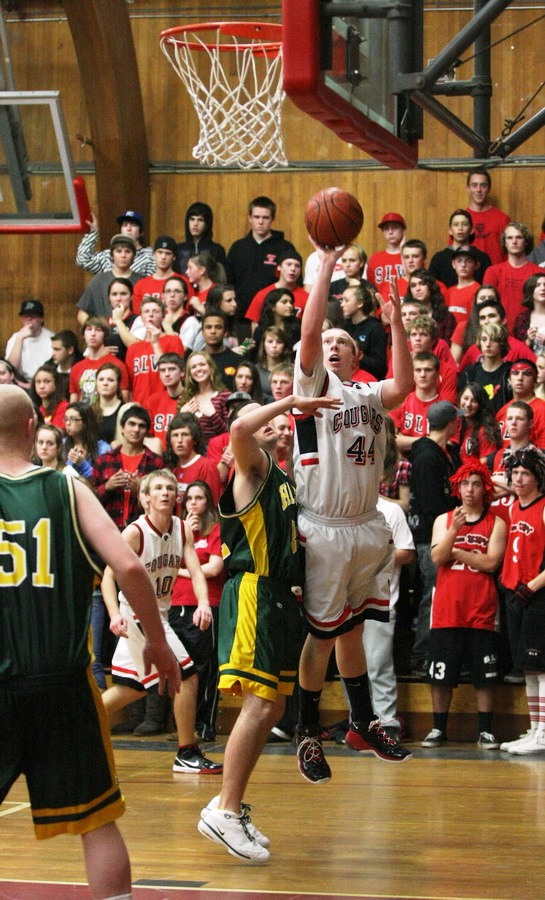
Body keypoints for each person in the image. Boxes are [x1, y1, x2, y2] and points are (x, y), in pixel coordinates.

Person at [0, 383, 180, 900]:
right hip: (62, 683)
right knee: (98, 822)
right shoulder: (67, 487)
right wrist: (157, 643)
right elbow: (129, 567)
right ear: (33, 428)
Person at [292, 241, 414, 785]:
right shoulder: (313, 383)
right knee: (322, 635)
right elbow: (310, 331)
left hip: (366, 525)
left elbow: (404, 385)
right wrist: (325, 268)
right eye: (328, 341)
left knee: (352, 629)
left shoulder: (367, 392)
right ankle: (306, 731)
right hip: (324, 525)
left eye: (343, 341)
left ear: (358, 356)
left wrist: (396, 324)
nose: (333, 345)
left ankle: (362, 723)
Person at [198, 391, 337, 863]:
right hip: (253, 591)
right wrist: (290, 400)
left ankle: (227, 803)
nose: (271, 425)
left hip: (278, 596)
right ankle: (225, 809)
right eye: (262, 420)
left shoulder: (280, 476)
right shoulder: (251, 466)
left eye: (273, 420)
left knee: (274, 706)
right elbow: (238, 429)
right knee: (259, 704)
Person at [100, 469, 223, 774]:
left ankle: (70, 727)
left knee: (131, 688)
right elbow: (107, 577)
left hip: (160, 614)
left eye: (169, 487)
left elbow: (196, 571)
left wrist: (203, 603)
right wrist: (114, 614)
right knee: (186, 676)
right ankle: (186, 751)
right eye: (157, 488)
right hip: (138, 616)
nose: (165, 492)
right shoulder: (135, 533)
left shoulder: (182, 529)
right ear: (146, 498)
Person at [421, 461, 507, 749]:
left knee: (485, 675)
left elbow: (491, 562)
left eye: (476, 484)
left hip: (482, 607)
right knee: (441, 674)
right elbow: (437, 557)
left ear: (485, 489)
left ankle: (485, 730)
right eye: (465, 484)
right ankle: (438, 728)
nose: (470, 490)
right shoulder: (444, 520)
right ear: (457, 488)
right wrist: (454, 532)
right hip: (447, 608)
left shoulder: (496, 523)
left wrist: (456, 552)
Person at [408, 401, 462, 677]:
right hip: (429, 537)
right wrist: (456, 508)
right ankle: (422, 655)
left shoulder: (442, 452)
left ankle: (434, 653)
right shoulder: (428, 456)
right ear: (452, 423)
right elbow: (432, 503)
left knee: (437, 594)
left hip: (437, 534)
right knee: (431, 595)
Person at [170, 480, 225, 741]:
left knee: (204, 667)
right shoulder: (176, 530)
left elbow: (214, 568)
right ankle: (183, 727)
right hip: (175, 604)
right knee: (180, 668)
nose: (193, 503)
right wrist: (186, 537)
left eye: (199, 498)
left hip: (205, 605)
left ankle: (204, 725)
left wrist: (181, 571)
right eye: (189, 498)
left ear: (208, 502)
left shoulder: (216, 530)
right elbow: (165, 562)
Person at [499, 447, 545, 755]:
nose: (518, 478)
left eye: (525, 473)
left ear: (537, 476)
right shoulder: (514, 507)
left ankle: (544, 732)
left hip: (537, 593)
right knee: (528, 667)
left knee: (541, 667)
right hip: (516, 593)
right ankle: (536, 728)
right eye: (514, 473)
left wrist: (533, 586)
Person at [225, 195, 299, 332]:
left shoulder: (284, 248)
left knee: (270, 345)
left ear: (272, 219)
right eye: (256, 217)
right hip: (241, 318)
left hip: (274, 319)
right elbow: (228, 283)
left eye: (265, 218)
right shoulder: (238, 248)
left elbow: (293, 283)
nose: (260, 222)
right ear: (250, 218)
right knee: (246, 346)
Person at [92, 405, 163, 529]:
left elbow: (163, 502)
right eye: (132, 424)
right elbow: (90, 498)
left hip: (143, 530)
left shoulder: (157, 463)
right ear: (122, 428)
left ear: (147, 431)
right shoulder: (103, 460)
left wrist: (141, 490)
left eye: (141, 426)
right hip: (108, 529)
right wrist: (107, 486)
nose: (136, 429)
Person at [124, 296, 184, 405]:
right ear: (141, 317)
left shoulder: (173, 341)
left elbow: (176, 374)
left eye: (155, 311)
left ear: (163, 316)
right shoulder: (133, 349)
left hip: (165, 404)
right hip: (140, 405)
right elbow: (131, 386)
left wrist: (155, 343)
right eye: (146, 311)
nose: (151, 315)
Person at [482, 222, 541, 329]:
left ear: (526, 241)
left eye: (519, 237)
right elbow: (487, 305)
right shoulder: (493, 272)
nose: (514, 241)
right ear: (504, 242)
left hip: (531, 330)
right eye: (510, 238)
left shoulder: (539, 273)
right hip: (498, 329)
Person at [76, 234, 143, 325]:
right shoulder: (98, 280)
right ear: (112, 255)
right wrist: (97, 328)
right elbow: (82, 314)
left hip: (134, 332)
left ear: (133, 255)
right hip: (105, 332)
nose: (123, 255)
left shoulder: (142, 281)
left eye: (127, 251)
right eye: (119, 251)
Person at [75, 208, 155, 275]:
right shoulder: (108, 256)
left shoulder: (150, 257)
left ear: (141, 232)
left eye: (133, 225)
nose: (128, 229)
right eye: (125, 225)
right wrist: (93, 233)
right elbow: (82, 260)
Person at [69, 317, 130, 405]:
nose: (93, 334)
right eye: (89, 329)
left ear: (105, 335)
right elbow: (73, 402)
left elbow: (124, 398)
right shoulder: (76, 368)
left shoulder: (117, 365)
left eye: (98, 330)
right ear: (83, 335)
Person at [165, 412, 223, 504]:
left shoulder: (206, 466)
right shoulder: (173, 469)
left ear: (194, 440)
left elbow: (212, 505)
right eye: (175, 435)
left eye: (185, 434)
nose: (179, 440)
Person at [429, 208, 491, 287]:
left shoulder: (482, 258)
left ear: (471, 230)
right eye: (456, 224)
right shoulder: (439, 259)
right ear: (450, 230)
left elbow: (487, 288)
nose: (460, 228)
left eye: (464, 224)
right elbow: (432, 288)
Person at [246, 249, 307, 328]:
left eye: (297, 266)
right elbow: (254, 324)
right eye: (289, 264)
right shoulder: (263, 294)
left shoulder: (306, 298)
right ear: (279, 267)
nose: (293, 269)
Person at [178, 350, 231, 440]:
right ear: (190, 373)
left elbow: (230, 433)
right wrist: (181, 417)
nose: (198, 369)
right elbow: (176, 433)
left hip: (218, 448)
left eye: (202, 364)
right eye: (194, 367)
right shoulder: (184, 398)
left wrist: (213, 415)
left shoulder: (225, 396)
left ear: (211, 367)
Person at [339, 283, 387, 379]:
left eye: (346, 300)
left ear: (360, 303)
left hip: (367, 380)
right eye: (341, 300)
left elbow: (380, 365)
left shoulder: (375, 328)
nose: (342, 304)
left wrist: (357, 356)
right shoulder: (344, 326)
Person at [465, 169, 510, 266]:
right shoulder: (460, 219)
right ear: (468, 188)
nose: (478, 190)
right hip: (469, 273)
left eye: (483, 185)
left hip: (496, 273)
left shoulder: (502, 219)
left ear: (489, 189)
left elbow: (510, 253)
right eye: (474, 185)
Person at [5, 299, 53, 383]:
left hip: (45, 382)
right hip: (20, 381)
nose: (29, 319)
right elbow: (11, 369)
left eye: (33, 316)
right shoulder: (15, 338)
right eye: (25, 316)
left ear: (41, 319)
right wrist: (20, 339)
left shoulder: (51, 338)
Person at [132, 235, 181, 315]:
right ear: (154, 255)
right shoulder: (141, 285)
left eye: (168, 253)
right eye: (160, 252)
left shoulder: (182, 282)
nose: (163, 257)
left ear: (174, 257)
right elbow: (137, 315)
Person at [174, 200, 226, 276]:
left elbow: (220, 277)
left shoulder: (216, 250)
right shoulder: (179, 249)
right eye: (192, 219)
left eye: (200, 220)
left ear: (207, 224)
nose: (195, 224)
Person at [62, 402, 110, 481]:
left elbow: (102, 482)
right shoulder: (61, 444)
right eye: (66, 419)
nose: (67, 423)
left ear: (85, 422)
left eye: (72, 419)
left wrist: (82, 463)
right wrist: (71, 461)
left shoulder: (103, 448)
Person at [366, 212, 407, 302]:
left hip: (406, 305)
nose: (390, 232)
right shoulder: (375, 259)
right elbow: (371, 288)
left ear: (403, 230)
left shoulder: (410, 257)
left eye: (395, 227)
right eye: (386, 228)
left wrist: (404, 250)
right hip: (382, 305)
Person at [458, 382, 503, 462]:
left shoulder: (485, 431)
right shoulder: (455, 425)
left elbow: (484, 465)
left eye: (474, 401)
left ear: (481, 405)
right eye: (465, 398)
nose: (468, 404)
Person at [30, 364, 69, 428]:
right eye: (38, 382)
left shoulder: (64, 407)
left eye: (47, 382)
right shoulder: (33, 408)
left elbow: (58, 431)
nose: (41, 386)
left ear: (56, 384)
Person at [513, 273, 545, 352]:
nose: (543, 288)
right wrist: (528, 341)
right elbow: (516, 350)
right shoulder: (523, 318)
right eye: (537, 285)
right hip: (529, 359)